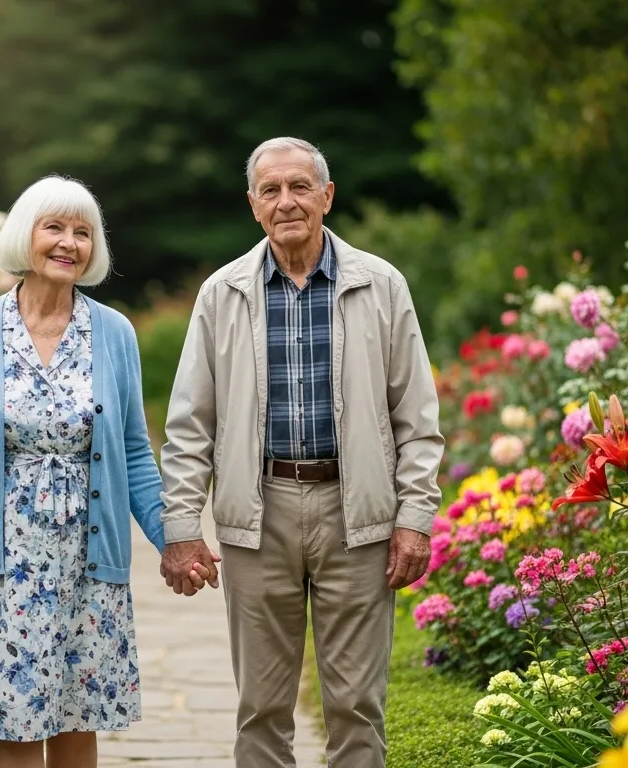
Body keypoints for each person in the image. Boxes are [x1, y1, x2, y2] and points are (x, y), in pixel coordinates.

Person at [157, 137, 445, 766]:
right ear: (254, 206)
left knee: (357, 707)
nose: (286, 201)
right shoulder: (221, 293)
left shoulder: (382, 285)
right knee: (260, 707)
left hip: (358, 514)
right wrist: (180, 529)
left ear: (327, 196)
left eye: (299, 187)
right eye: (271, 190)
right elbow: (189, 426)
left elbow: (417, 419)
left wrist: (414, 520)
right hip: (259, 515)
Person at [0, 175, 209, 768]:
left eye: (83, 232)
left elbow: (132, 451)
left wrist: (175, 539)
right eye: (54, 227)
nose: (69, 243)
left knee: (80, 720)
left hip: (88, 557)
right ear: (24, 237)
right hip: (1, 562)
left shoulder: (114, 332)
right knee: (15, 723)